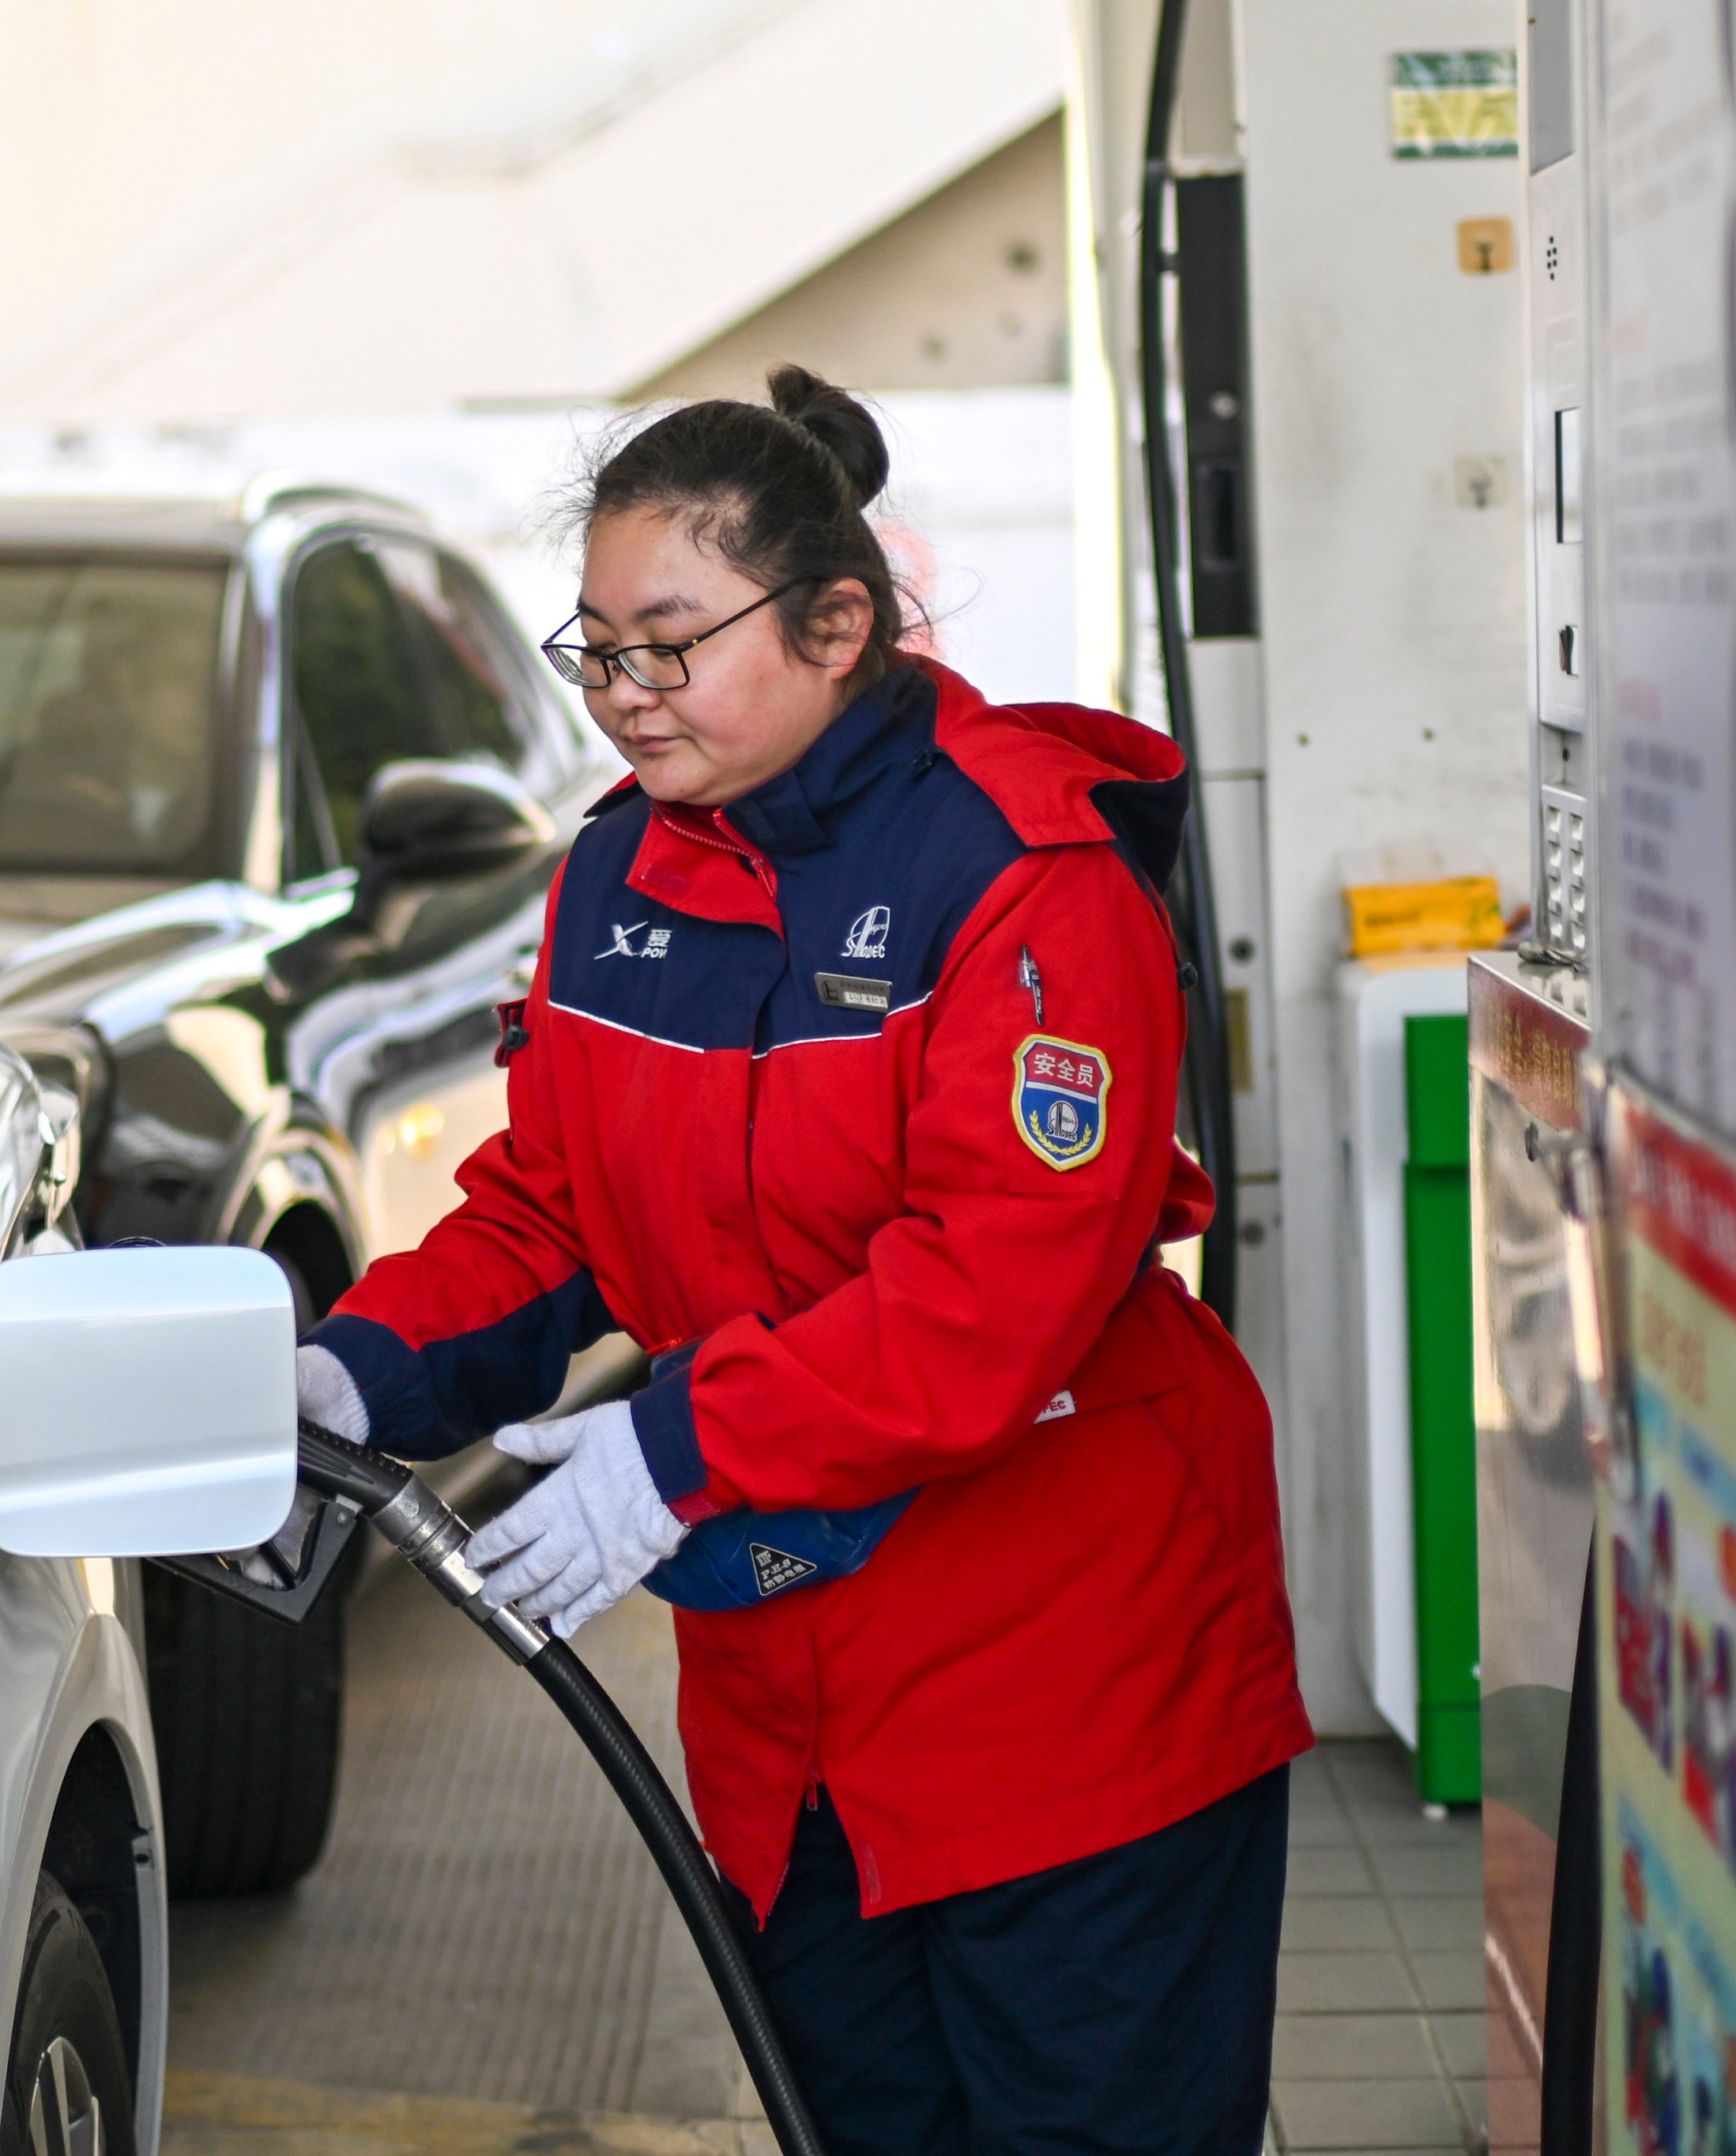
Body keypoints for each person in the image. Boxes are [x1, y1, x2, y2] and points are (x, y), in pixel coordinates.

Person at [293, 368, 1310, 2150]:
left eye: (670, 643)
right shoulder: (615, 881)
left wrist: (675, 1446)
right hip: (793, 1720)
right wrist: (351, 1369)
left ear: (838, 623)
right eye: (595, 646)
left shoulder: (1019, 870)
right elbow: (556, 1212)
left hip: (1068, 1691)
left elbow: (994, 1286)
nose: (621, 693)